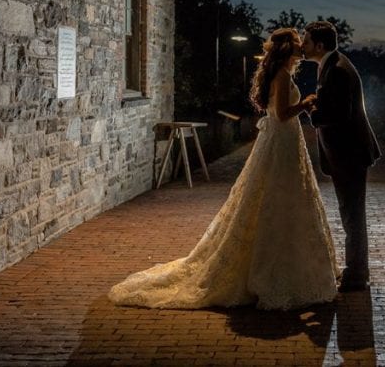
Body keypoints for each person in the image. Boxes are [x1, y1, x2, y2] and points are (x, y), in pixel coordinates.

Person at [109, 28, 338, 310]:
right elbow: (280, 115)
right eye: (296, 43)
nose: (301, 46)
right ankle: (272, 272)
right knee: (275, 199)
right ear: (286, 49)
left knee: (285, 199)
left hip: (286, 143)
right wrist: (304, 104)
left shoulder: (282, 73)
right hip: (281, 142)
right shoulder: (280, 75)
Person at [301, 21, 381, 292]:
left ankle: (357, 275)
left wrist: (311, 110)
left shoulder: (336, 70)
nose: (302, 45)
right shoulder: (334, 64)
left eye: (306, 41)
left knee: (352, 215)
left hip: (349, 154)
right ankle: (357, 271)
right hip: (348, 153)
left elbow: (336, 115)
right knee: (351, 214)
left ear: (319, 45)